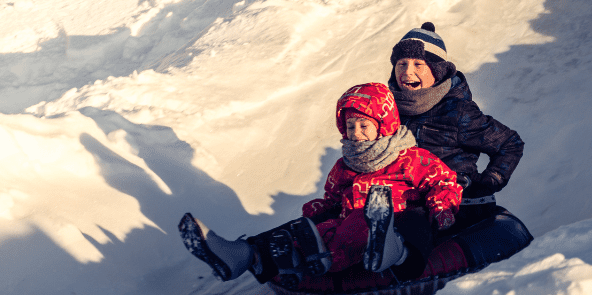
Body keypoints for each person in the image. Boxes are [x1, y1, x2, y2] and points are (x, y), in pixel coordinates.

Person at [180, 82, 462, 284]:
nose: (356, 134)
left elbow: (443, 182)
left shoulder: (409, 158)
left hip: (398, 215)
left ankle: (393, 251)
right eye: (350, 127)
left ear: (384, 124)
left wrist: (441, 208)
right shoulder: (345, 165)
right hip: (350, 218)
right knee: (322, 227)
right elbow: (333, 196)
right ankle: (246, 255)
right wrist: (322, 207)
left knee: (413, 222)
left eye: (364, 126)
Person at [387, 22, 525, 231]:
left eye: (418, 64)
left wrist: (487, 183)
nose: (407, 71)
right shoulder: (388, 110)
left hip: (453, 207)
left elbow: (509, 143)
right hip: (403, 200)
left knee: (413, 224)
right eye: (401, 63)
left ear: (438, 71)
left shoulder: (457, 112)